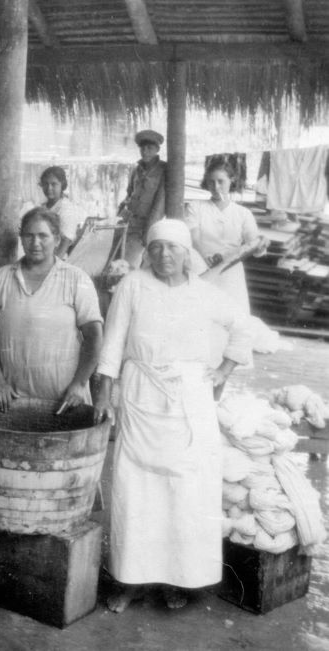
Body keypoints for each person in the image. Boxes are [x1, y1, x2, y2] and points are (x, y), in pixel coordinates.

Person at [93, 219, 252, 613]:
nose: (165, 255)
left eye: (174, 248)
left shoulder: (203, 293)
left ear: (187, 254)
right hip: (140, 395)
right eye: (157, 247)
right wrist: (104, 392)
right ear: (147, 251)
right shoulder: (132, 285)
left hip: (189, 403)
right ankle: (129, 581)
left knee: (183, 494)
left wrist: (222, 371)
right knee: (136, 492)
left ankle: (174, 580)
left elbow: (243, 328)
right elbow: (112, 342)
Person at [0, 207, 103, 413]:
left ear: (56, 238)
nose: (35, 243)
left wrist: (80, 383)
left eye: (43, 236)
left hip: (65, 401)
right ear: (21, 238)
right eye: (29, 235)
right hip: (14, 401)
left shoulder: (76, 279)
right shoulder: (1, 279)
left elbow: (94, 335)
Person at [185, 156, 267, 314]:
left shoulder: (243, 213)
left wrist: (260, 244)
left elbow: (253, 241)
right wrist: (205, 257)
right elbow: (193, 238)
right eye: (211, 182)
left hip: (231, 271)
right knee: (201, 314)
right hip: (201, 267)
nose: (216, 187)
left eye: (220, 181)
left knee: (232, 316)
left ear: (232, 180)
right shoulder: (196, 207)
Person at [118, 129, 167, 268]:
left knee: (130, 263)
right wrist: (120, 213)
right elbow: (129, 194)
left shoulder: (164, 170)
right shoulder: (136, 170)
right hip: (128, 222)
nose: (145, 151)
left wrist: (149, 229)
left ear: (157, 149)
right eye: (142, 148)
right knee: (118, 258)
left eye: (149, 148)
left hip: (146, 225)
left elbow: (159, 204)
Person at [39, 166, 85, 259]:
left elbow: (64, 244)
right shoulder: (42, 208)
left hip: (59, 260)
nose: (49, 188)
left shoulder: (67, 209)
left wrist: (48, 267)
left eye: (54, 184)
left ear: (62, 185)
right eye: (45, 184)